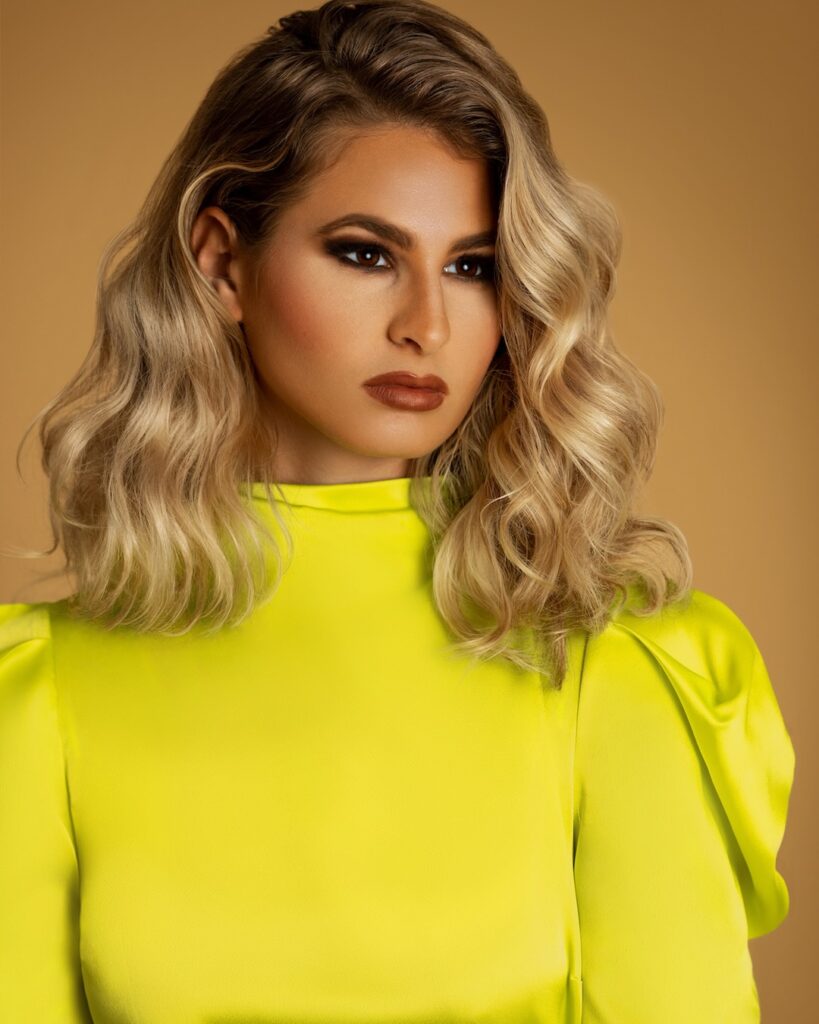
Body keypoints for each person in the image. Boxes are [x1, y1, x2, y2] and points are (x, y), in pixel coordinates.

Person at [0, 1, 794, 1022]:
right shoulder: (39, 701)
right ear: (220, 261)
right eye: (367, 253)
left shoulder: (614, 672)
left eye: (471, 267)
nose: (427, 324)